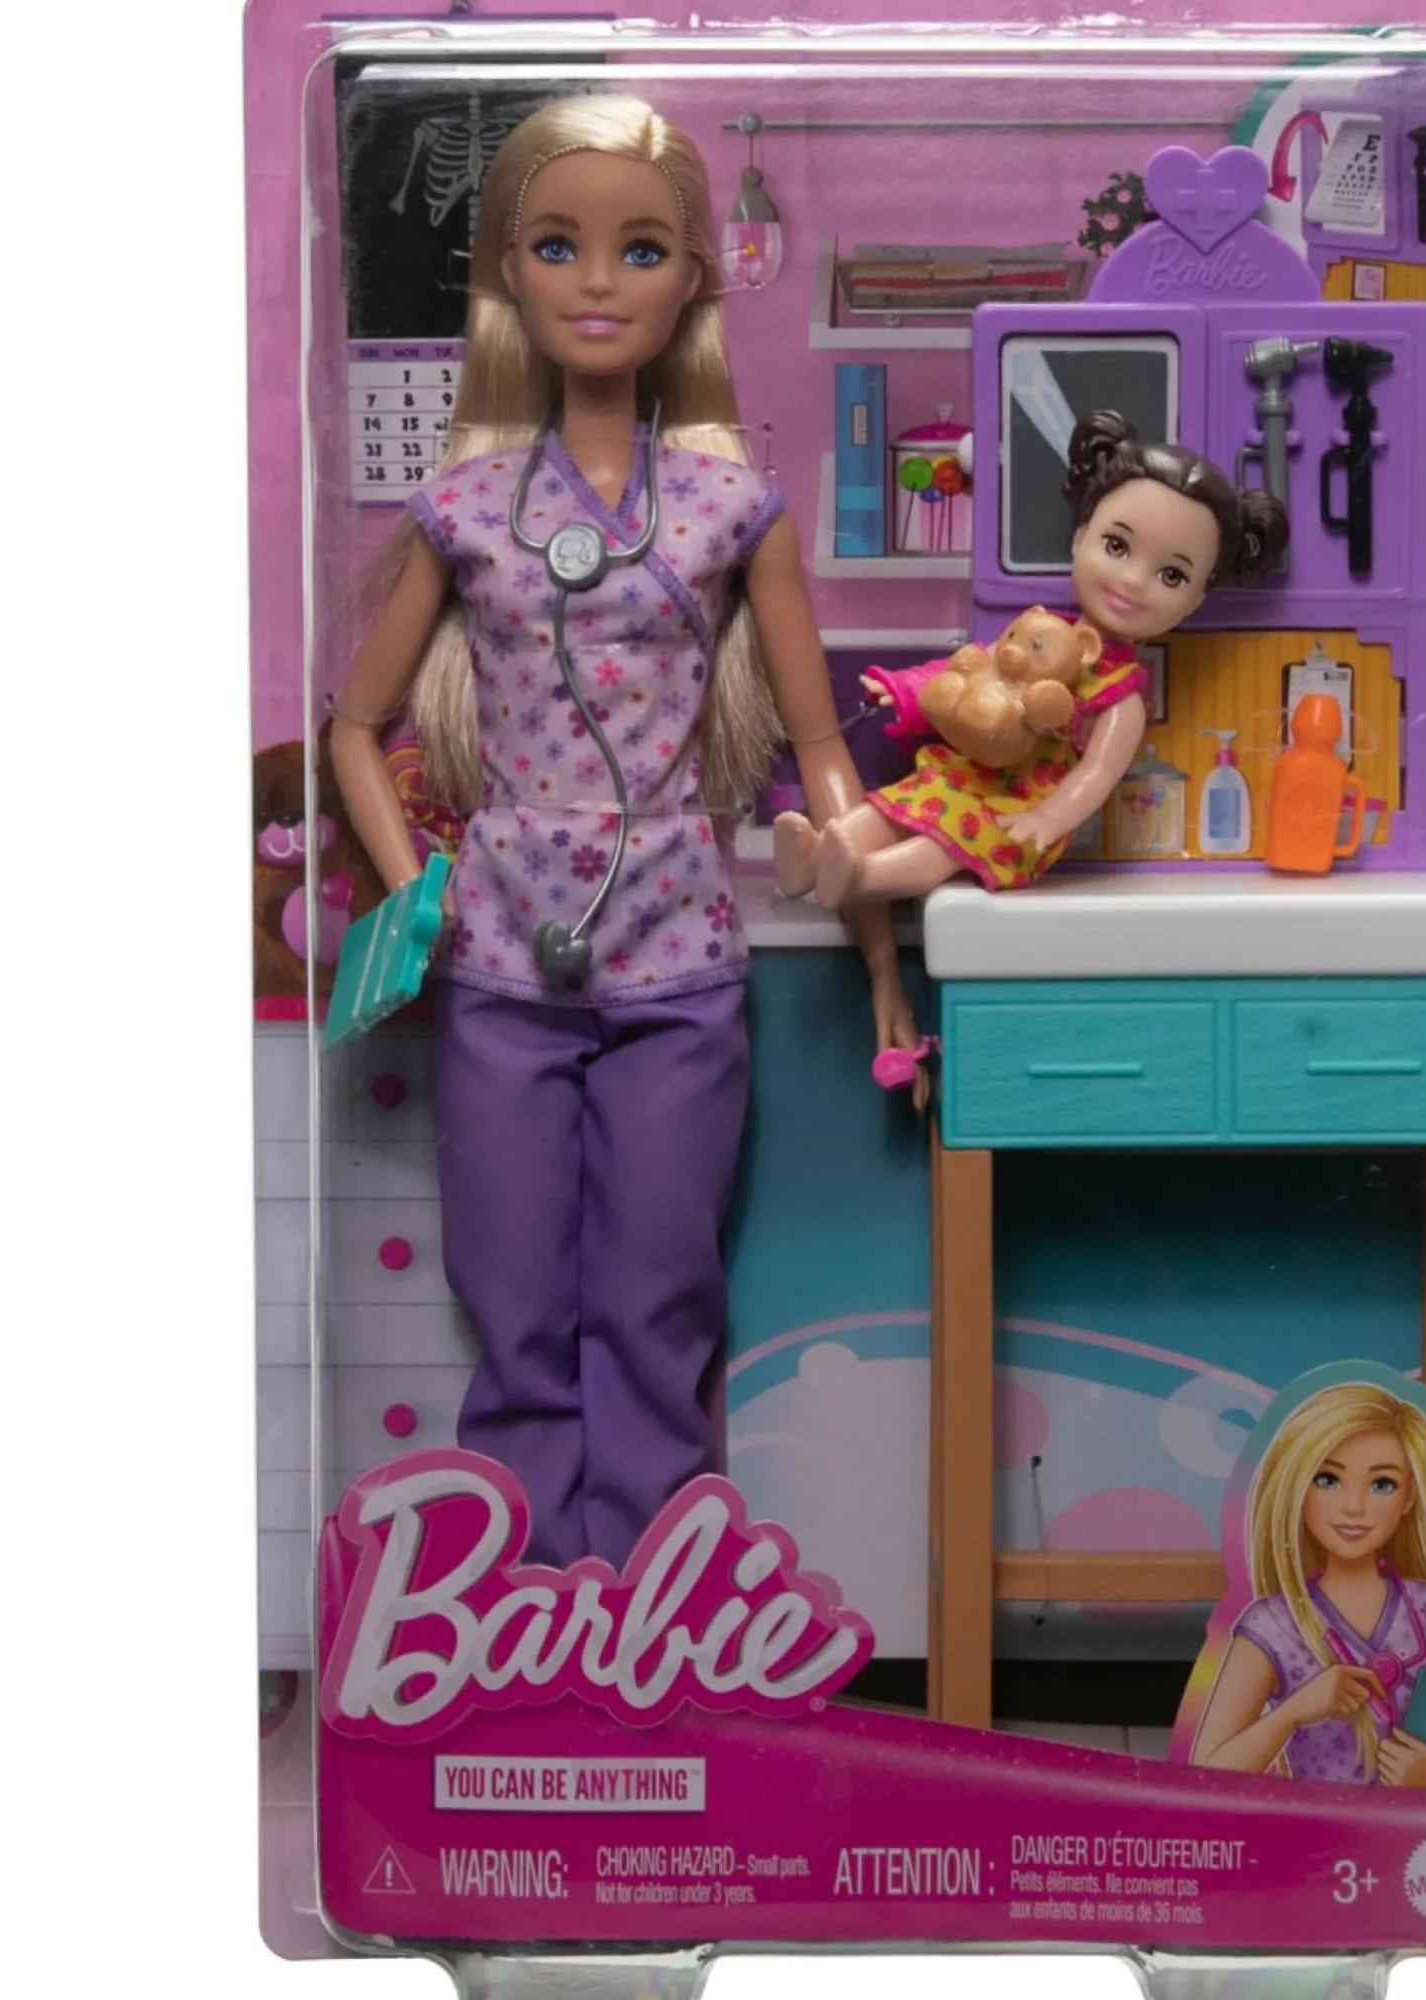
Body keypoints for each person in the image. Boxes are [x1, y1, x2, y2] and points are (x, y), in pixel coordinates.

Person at [328, 95, 919, 1569]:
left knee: (659, 1300)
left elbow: (819, 748)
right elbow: (355, 727)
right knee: (515, 1295)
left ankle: (652, 1594)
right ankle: (520, 1591)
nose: (598, 283)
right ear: (506, 272)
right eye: (558, 245)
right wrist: (412, 894)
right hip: (500, 954)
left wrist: (875, 932)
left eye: (640, 250)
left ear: (694, 278)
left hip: (675, 953)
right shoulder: (465, 509)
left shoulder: (731, 510)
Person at [774, 409, 1289, 905]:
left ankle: (861, 877)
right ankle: (817, 856)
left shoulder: (1120, 698)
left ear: (1195, 600)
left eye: (1171, 575)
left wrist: (1051, 817)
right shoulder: (1040, 629)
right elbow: (973, 666)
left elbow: (1097, 775)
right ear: (1080, 537)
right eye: (1116, 546)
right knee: (901, 801)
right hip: (972, 770)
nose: (1133, 581)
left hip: (1018, 808)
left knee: (946, 843)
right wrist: (904, 690)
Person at [1186, 1382, 1426, 1787]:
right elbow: (1205, 1773)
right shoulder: (1274, 1625)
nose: (1353, 1507)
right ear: (1297, 1488)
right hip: (1321, 1825)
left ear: (1409, 1497)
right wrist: (1292, 1712)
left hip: (1423, 1826)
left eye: (1382, 1485)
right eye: (1328, 1479)